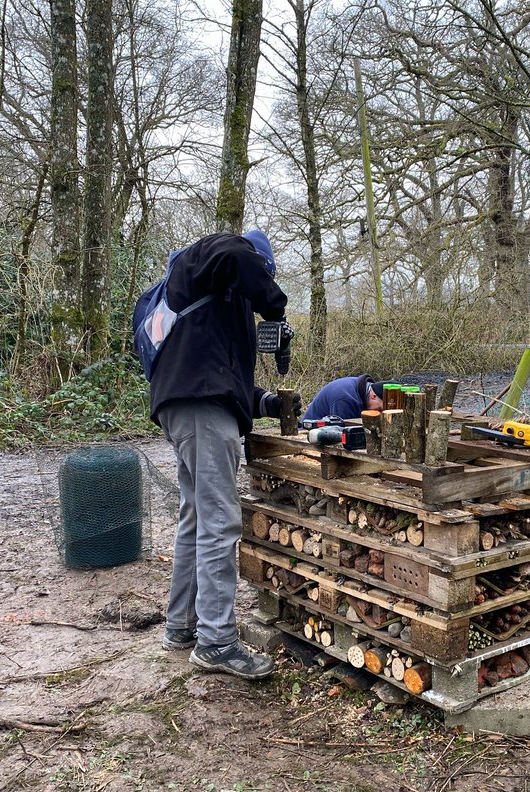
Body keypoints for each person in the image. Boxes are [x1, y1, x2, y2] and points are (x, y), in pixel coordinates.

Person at [147, 229, 300, 680]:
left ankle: (182, 627)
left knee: (196, 518)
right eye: (261, 276)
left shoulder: (212, 307)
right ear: (258, 266)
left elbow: (221, 379)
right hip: (200, 409)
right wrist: (274, 304)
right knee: (220, 521)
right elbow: (235, 253)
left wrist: (265, 403)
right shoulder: (219, 255)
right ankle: (216, 641)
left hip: (188, 407)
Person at [303, 376, 386, 421]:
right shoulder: (345, 399)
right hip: (308, 438)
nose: (379, 413)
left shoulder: (364, 389)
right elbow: (342, 434)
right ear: (373, 396)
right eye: (379, 409)